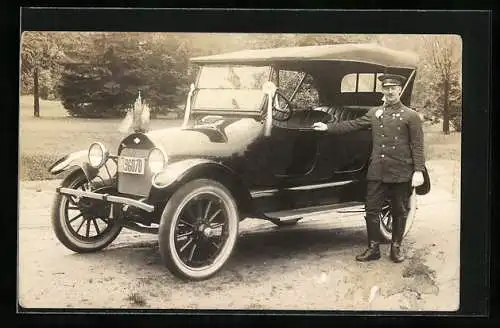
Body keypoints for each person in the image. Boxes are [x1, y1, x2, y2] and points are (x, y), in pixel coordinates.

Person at [312, 73, 425, 263]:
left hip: (400, 171)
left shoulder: (410, 116)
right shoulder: (375, 113)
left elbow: (418, 145)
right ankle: (373, 248)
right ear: (383, 91)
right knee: (371, 210)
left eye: (393, 88)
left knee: (399, 210)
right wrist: (328, 128)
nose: (390, 92)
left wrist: (418, 171)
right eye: (386, 88)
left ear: (399, 90)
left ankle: (396, 248)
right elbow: (352, 124)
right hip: (377, 170)